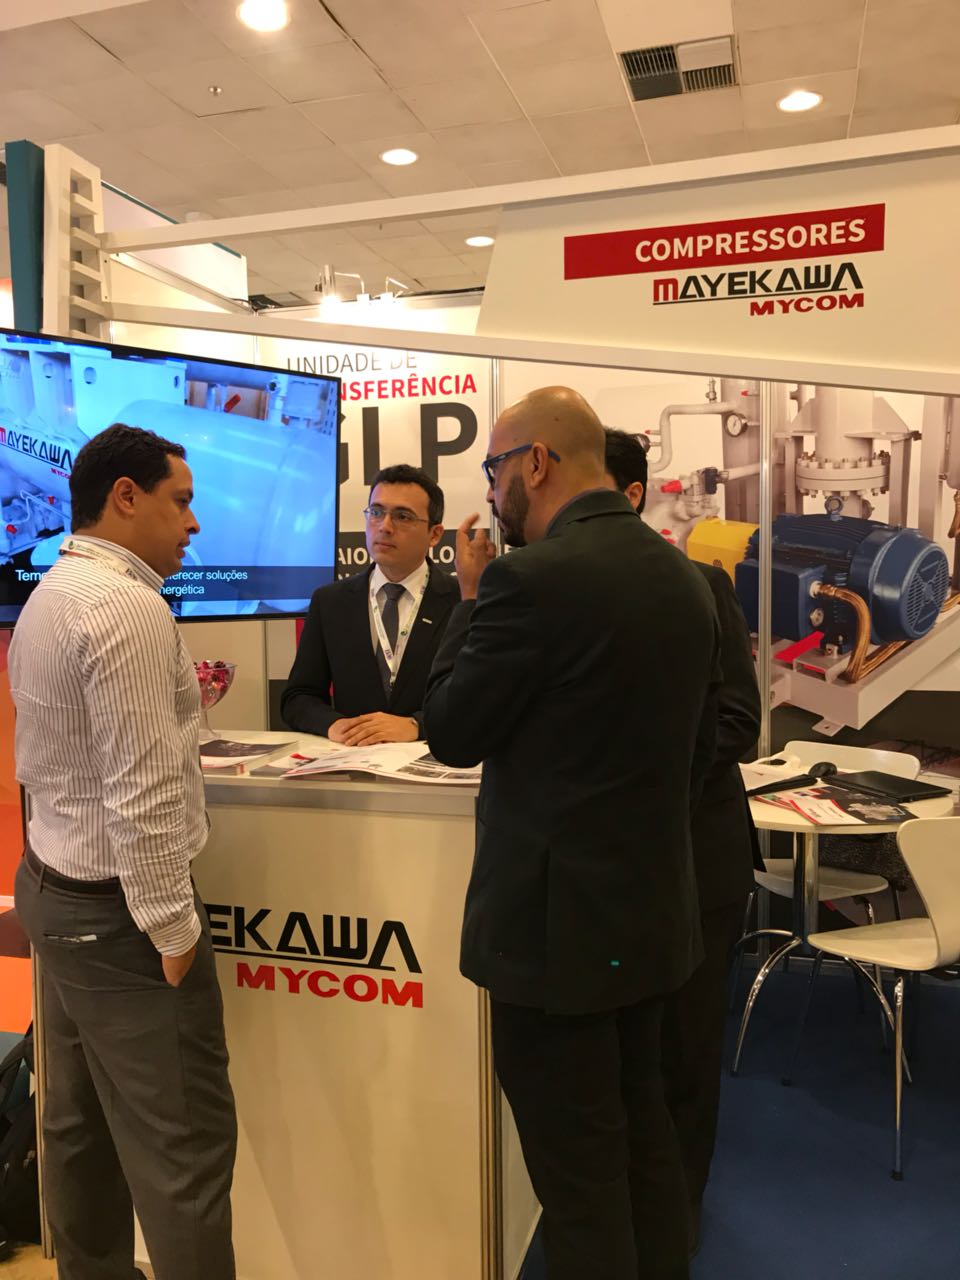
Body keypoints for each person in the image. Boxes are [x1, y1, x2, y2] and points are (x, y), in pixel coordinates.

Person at [423, 387, 721, 1280]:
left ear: (536, 462)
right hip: (649, 927)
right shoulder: (685, 576)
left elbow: (451, 729)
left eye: (494, 469)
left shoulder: (526, 582)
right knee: (643, 1146)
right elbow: (703, 753)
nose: (493, 491)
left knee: (578, 1181)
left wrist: (468, 598)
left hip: (555, 949)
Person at [10, 424, 237, 1280]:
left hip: (57, 887)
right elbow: (141, 796)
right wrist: (172, 931)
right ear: (126, 497)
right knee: (186, 1153)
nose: (194, 523)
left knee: (78, 1126)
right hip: (122, 917)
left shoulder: (56, 588)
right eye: (181, 501)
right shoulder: (126, 609)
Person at [604, 427, 760, 1252]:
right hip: (606, 875)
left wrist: (644, 782)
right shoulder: (554, 593)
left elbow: (739, 719)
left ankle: (677, 1226)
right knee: (620, 1057)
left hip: (698, 858)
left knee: (687, 1054)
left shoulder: (701, 586)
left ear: (631, 495)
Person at [282, 464, 460, 746]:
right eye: (376, 512)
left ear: (435, 534)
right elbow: (298, 697)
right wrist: (334, 725)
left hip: (433, 762)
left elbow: (480, 697)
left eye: (402, 516)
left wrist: (418, 725)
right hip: (353, 762)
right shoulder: (330, 601)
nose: (385, 527)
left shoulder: (461, 600)